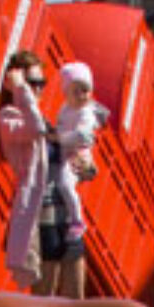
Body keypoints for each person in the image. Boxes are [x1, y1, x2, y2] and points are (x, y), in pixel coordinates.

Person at [0, 51, 85, 297]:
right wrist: (20, 91)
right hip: (42, 218)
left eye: (41, 84)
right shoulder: (9, 118)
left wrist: (79, 163)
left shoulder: (42, 119)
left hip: (67, 216)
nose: (38, 90)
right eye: (32, 83)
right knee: (45, 303)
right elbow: (33, 128)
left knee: (76, 298)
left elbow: (56, 159)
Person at [52, 61, 109, 243]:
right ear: (65, 93)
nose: (81, 96)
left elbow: (82, 136)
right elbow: (60, 127)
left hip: (77, 156)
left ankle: (77, 221)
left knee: (65, 183)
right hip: (66, 151)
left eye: (85, 91)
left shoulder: (86, 113)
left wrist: (58, 138)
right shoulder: (65, 109)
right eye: (75, 91)